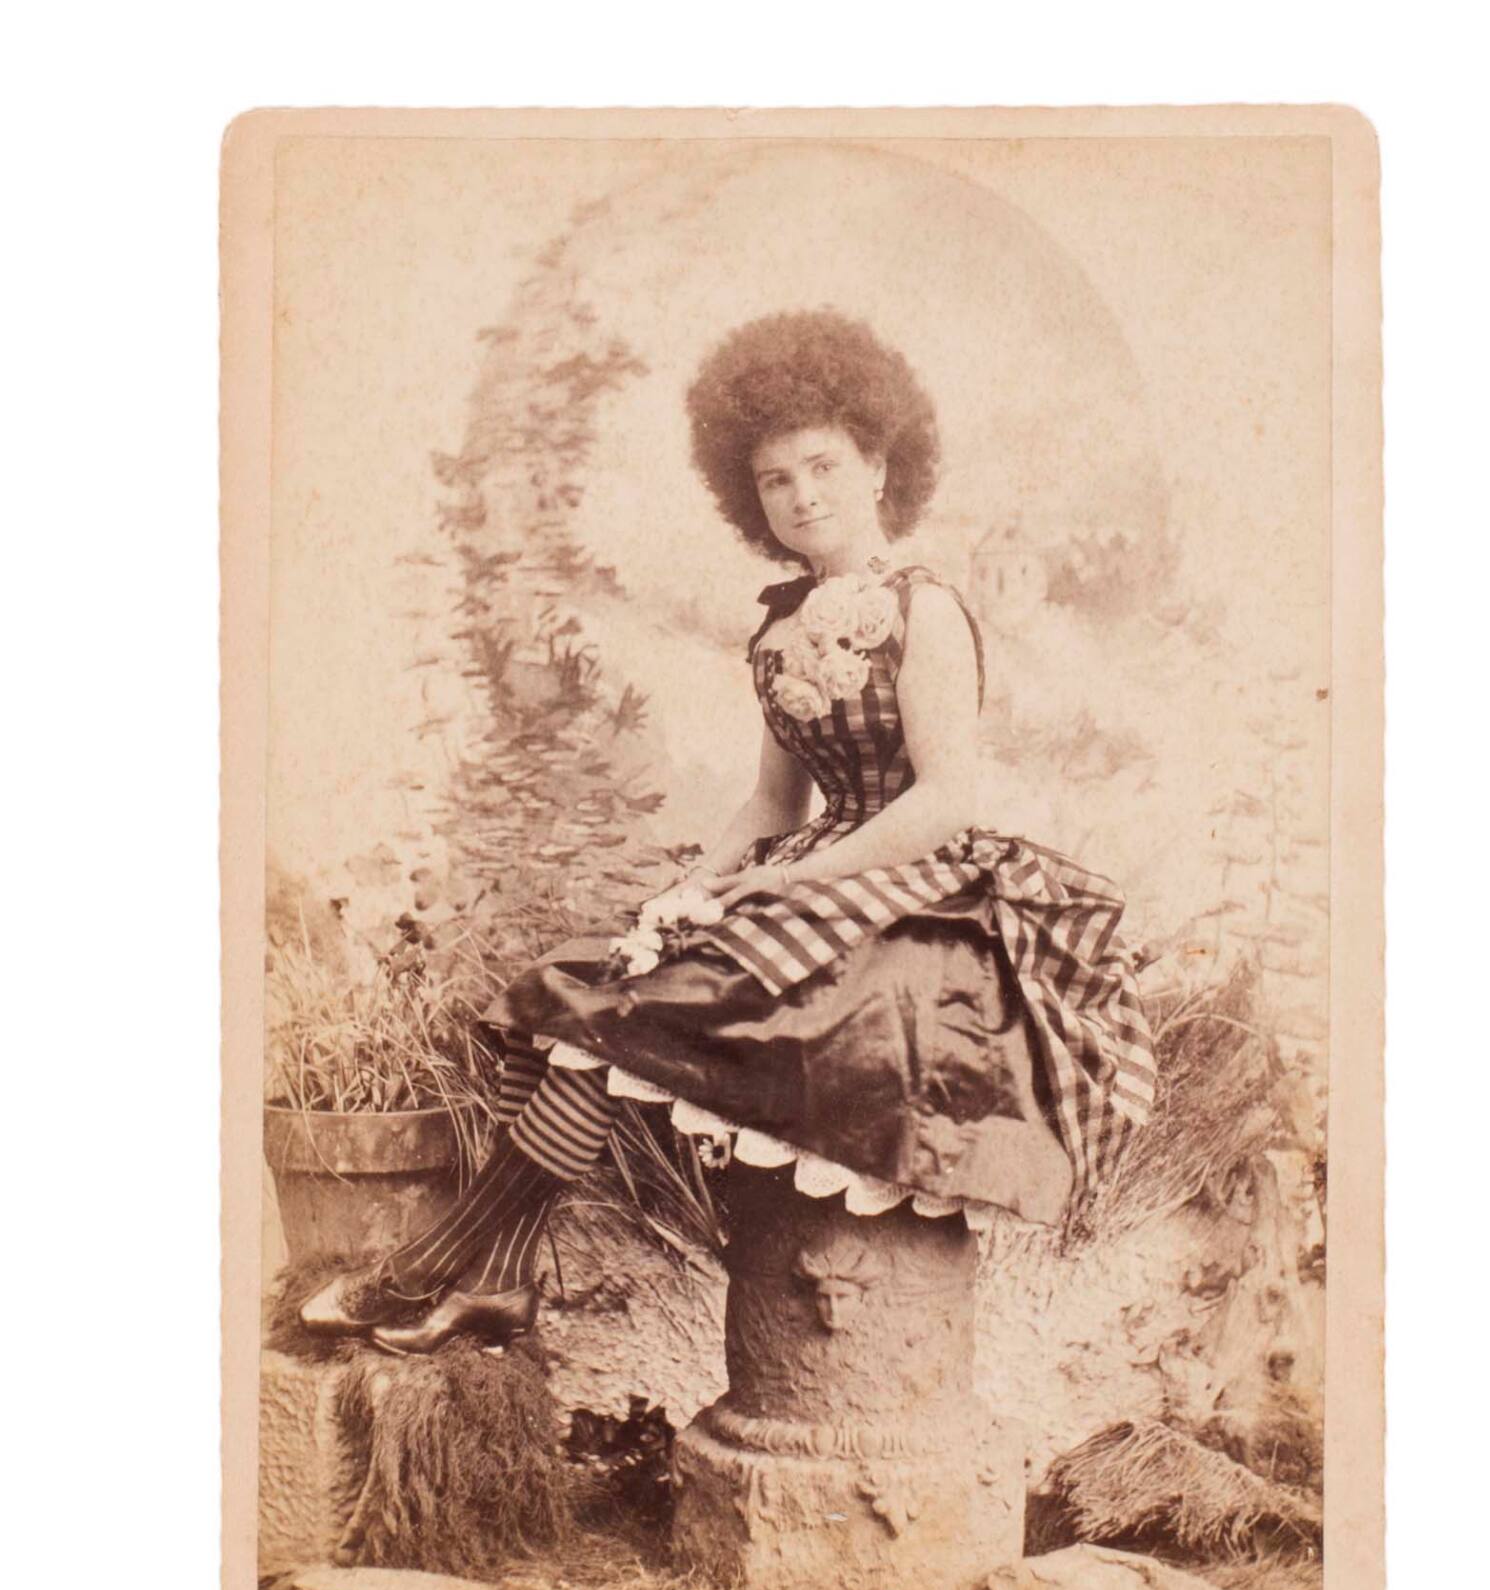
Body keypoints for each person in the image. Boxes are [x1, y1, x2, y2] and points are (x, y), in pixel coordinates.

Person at [302, 308, 1156, 1354]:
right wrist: (693, 890)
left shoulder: (925, 610)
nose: (803, 496)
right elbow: (771, 805)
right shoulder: (782, 625)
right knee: (578, 985)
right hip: (812, 866)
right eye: (774, 480)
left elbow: (944, 801)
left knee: (620, 1019)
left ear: (878, 466)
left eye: (823, 466)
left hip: (914, 889)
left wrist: (792, 886)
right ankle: (498, 1280)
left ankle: (427, 1271)